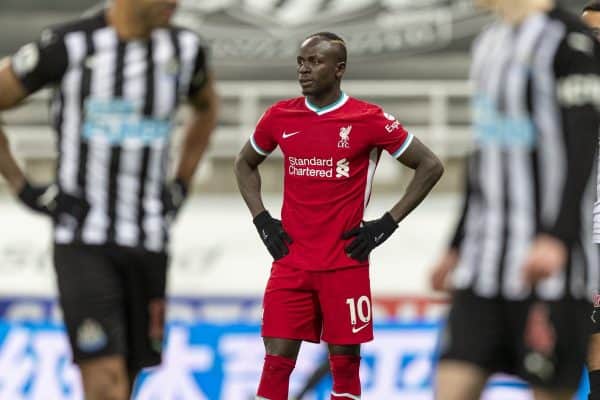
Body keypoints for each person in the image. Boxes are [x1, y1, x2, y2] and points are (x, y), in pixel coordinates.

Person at [0, 0, 218, 398]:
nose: (176, 3)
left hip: (150, 238)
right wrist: (22, 186)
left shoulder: (185, 49)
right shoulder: (69, 45)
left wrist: (181, 182)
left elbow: (206, 109)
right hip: (83, 240)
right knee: (104, 381)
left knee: (128, 379)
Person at [234, 32, 444, 400]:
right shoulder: (280, 116)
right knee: (276, 361)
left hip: (345, 263)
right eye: (301, 62)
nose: (304, 69)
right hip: (291, 262)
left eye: (314, 61)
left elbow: (430, 165)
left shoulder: (368, 119)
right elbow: (244, 163)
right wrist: (262, 220)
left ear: (339, 69)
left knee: (345, 368)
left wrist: (386, 224)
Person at [429, 0, 600, 399]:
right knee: (452, 385)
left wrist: (557, 235)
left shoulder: (570, 42)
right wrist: (455, 246)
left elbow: (581, 150)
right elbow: (483, 153)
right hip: (485, 266)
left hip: (555, 270)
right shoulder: (488, 43)